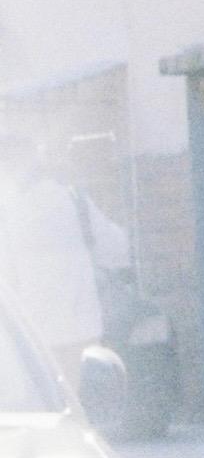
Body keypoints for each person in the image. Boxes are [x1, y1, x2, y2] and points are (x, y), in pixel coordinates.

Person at [0, 131, 132, 398]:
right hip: (80, 330)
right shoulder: (75, 201)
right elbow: (117, 250)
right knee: (74, 404)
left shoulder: (7, 208)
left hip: (28, 337)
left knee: (34, 404)